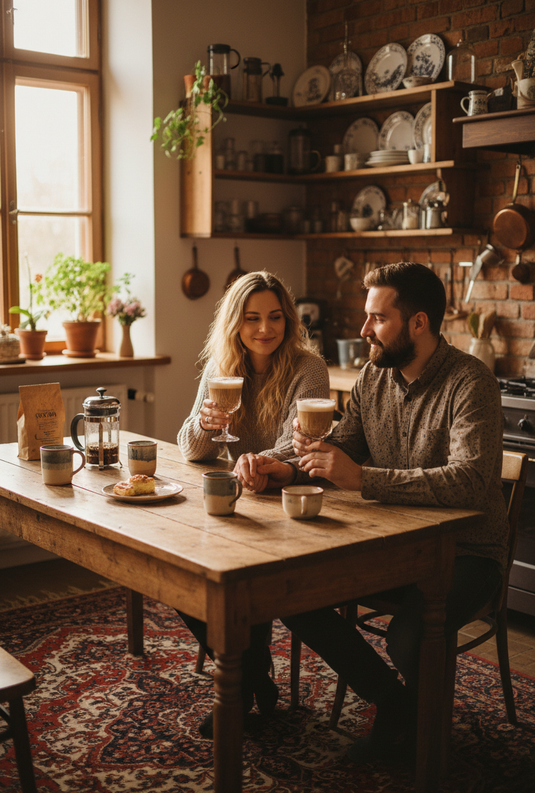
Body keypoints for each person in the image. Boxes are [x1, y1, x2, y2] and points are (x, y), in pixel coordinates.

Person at [247, 262, 507, 764]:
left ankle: (420, 741)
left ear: (418, 323)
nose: (364, 330)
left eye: (377, 319)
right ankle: (395, 703)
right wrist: (287, 468)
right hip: (392, 544)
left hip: (467, 552)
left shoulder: (470, 382)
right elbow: (341, 446)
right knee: (295, 593)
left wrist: (363, 479)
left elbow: (471, 482)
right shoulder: (373, 376)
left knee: (409, 640)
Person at [177, 270, 330, 737]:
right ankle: (253, 675)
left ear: (288, 319)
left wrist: (255, 461)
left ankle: (244, 683)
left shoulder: (309, 369)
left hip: (291, 509)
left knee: (246, 583)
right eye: (252, 319)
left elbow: (298, 445)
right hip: (241, 505)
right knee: (180, 569)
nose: (265, 329)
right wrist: (205, 424)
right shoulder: (221, 369)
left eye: (275, 317)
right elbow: (190, 448)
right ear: (234, 324)